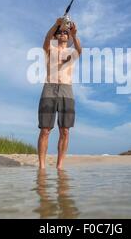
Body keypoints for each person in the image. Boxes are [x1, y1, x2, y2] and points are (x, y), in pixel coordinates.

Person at [37, 17, 82, 170]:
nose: (62, 34)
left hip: (66, 89)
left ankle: (59, 166)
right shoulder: (50, 49)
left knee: (65, 131)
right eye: (60, 32)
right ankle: (42, 166)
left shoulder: (71, 51)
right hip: (49, 88)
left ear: (68, 37)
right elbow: (46, 38)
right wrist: (56, 24)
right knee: (45, 129)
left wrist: (75, 35)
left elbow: (80, 51)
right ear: (56, 35)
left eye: (65, 32)